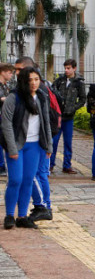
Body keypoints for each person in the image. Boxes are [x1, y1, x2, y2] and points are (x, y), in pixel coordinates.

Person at [2, 67, 52, 230]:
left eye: (36, 79)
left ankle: (22, 216)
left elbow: (46, 122)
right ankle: (10, 215)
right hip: (16, 145)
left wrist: (48, 145)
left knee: (28, 180)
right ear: (23, 81)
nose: (33, 83)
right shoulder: (13, 97)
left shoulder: (42, 98)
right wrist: (12, 148)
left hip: (35, 145)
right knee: (15, 179)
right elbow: (6, 123)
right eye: (30, 80)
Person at [15, 57, 57, 221]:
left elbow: (44, 120)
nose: (16, 73)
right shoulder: (26, 90)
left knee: (34, 174)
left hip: (38, 142)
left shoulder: (40, 92)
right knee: (37, 175)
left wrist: (48, 144)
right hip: (34, 141)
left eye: (19, 70)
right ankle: (43, 206)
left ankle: (43, 206)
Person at [51, 59, 86, 175]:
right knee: (54, 141)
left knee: (68, 142)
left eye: (68, 68)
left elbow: (82, 99)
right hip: (58, 116)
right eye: (65, 68)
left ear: (74, 68)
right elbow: (51, 92)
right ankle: (50, 164)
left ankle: (67, 165)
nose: (66, 70)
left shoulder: (79, 82)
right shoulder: (60, 80)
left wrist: (73, 108)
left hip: (69, 117)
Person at [0, 63, 15, 175]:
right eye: (9, 72)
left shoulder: (6, 85)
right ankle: (1, 166)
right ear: (2, 72)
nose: (11, 75)